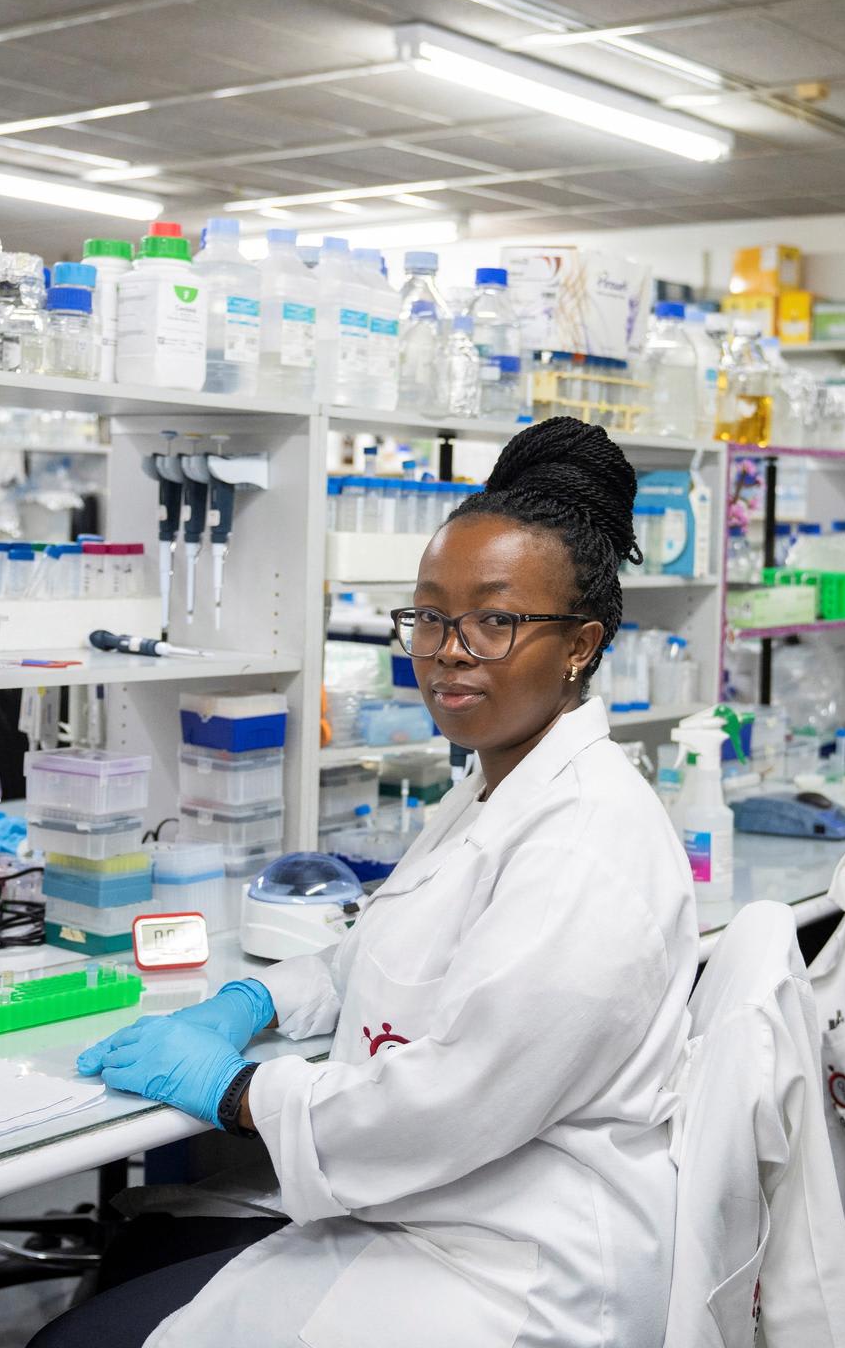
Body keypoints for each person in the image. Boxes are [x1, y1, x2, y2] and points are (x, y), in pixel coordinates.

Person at [35, 418, 698, 1348]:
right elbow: (382, 955)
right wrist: (255, 994)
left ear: (580, 644)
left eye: (495, 621)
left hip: (517, 1276)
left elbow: (455, 1100)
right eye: (429, 615)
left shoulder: (588, 843)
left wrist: (236, 1094)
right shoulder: (494, 784)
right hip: (430, 1224)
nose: (448, 649)